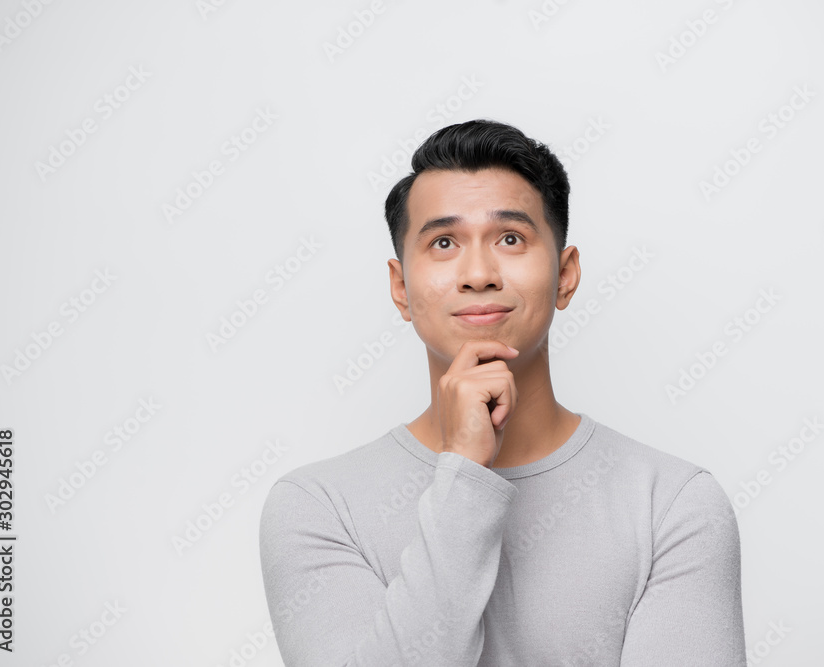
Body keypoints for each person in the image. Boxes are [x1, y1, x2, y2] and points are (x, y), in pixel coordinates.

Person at [259, 119, 747, 666]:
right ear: (401, 288)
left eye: (510, 239)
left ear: (565, 275)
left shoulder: (672, 504)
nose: (478, 273)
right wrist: (464, 469)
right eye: (443, 242)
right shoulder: (318, 508)